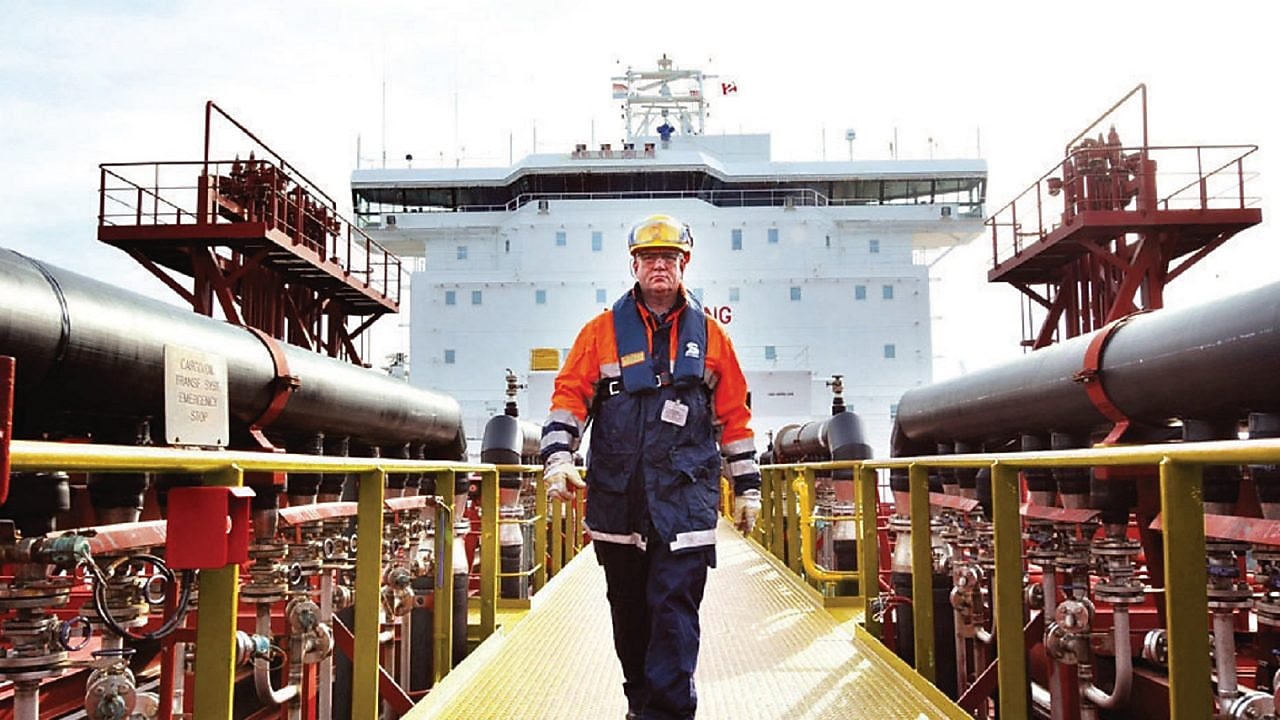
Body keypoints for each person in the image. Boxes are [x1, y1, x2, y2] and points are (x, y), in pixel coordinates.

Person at [540, 214, 761, 720]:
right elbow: (569, 399)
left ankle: (669, 713)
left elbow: (734, 418)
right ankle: (641, 706)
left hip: (685, 503)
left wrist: (748, 489)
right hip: (619, 503)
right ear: (634, 266)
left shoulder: (713, 338)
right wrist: (558, 459)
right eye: (648, 257)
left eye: (669, 257)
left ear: (684, 264)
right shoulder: (599, 333)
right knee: (630, 615)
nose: (659, 265)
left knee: (673, 612)